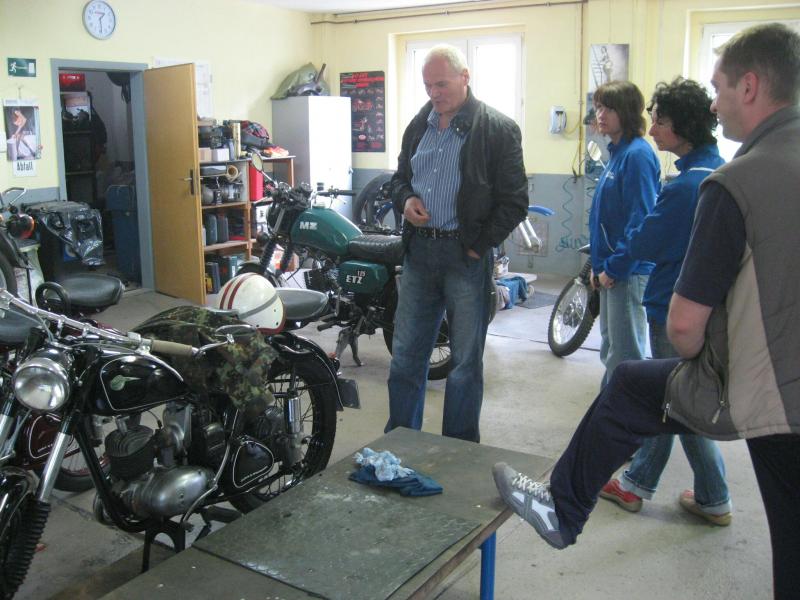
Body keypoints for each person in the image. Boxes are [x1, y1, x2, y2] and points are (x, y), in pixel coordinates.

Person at [494, 22, 800, 599]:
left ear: (751, 86)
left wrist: (709, 350)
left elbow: (684, 328)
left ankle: (563, 506)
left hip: (776, 391)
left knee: (634, 383)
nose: (715, 104)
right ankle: (668, 486)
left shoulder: (731, 182)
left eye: (720, 88)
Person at [599, 78, 731, 525]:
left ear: (682, 126)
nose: (652, 129)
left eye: (659, 121)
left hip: (674, 306)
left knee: (674, 399)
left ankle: (642, 485)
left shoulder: (686, 186)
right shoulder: (716, 171)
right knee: (679, 398)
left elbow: (645, 238)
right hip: (700, 307)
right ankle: (708, 494)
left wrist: (614, 263)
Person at [385, 44, 528, 443]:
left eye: (442, 84)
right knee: (406, 357)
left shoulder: (496, 129)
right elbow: (399, 180)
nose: (434, 93)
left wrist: (477, 247)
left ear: (465, 77)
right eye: (428, 85)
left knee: (464, 364)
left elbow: (515, 202)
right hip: (419, 254)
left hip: (464, 257)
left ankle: (460, 450)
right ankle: (400, 443)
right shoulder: (419, 125)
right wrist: (406, 200)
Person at [588, 81, 660, 386]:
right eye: (599, 107)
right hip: (611, 270)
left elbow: (640, 221)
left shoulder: (637, 155)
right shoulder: (617, 154)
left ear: (627, 112)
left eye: (609, 108)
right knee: (612, 351)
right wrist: (598, 266)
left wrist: (615, 267)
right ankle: (610, 412)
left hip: (627, 272)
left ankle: (623, 416)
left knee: (625, 356)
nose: (600, 114)